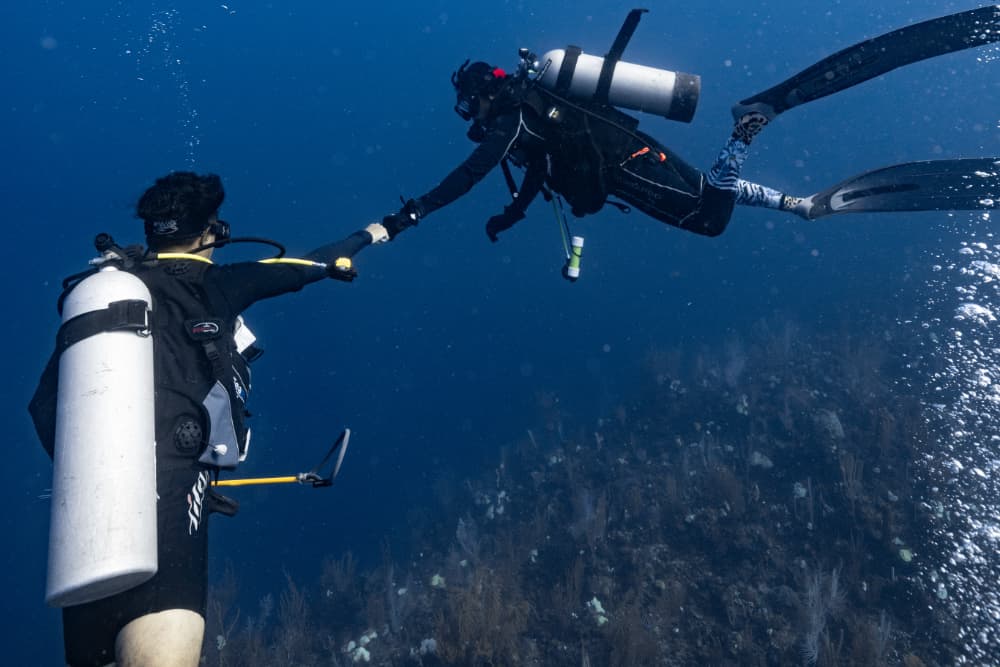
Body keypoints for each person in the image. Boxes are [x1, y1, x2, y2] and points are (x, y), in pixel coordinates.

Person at [28, 172, 389, 667]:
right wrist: (375, 232)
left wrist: (103, 468)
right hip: (173, 493)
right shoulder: (213, 284)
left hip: (87, 523)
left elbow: (42, 407)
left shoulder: (102, 297)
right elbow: (306, 264)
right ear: (208, 234)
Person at [379, 7, 999, 247]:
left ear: (483, 97)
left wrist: (412, 215)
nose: (473, 119)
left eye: (471, 107)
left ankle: (749, 126)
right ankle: (800, 206)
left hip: (629, 165)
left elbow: (470, 173)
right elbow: (537, 169)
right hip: (630, 158)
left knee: (707, 216)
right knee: (707, 197)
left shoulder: (513, 121)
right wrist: (510, 217)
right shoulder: (531, 118)